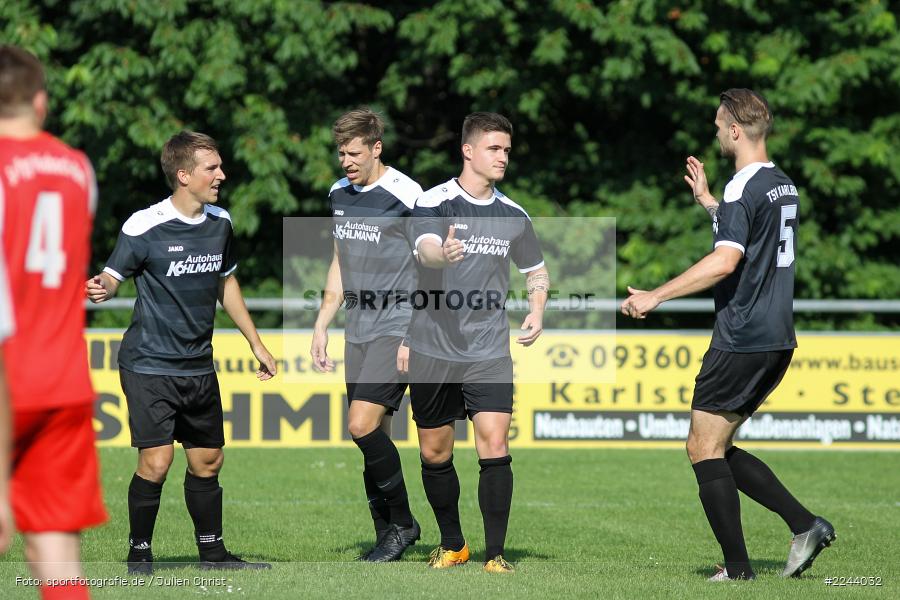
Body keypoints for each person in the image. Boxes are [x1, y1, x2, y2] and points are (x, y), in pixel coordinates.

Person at [621, 88, 834, 581]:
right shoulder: (783, 184)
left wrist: (655, 295)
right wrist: (709, 203)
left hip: (742, 336)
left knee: (702, 448)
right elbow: (752, 235)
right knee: (714, 447)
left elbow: (727, 260)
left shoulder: (743, 186)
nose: (717, 133)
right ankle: (805, 525)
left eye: (719, 126)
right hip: (777, 337)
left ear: (735, 130)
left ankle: (740, 569)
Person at [86, 130, 277, 574]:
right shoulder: (143, 224)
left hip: (199, 366)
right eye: (212, 168)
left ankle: (213, 555)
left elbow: (225, 283)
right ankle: (139, 555)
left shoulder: (220, 222)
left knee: (208, 461)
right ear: (184, 174)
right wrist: (103, 286)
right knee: (157, 461)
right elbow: (114, 274)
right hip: (149, 364)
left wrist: (257, 342)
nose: (221, 175)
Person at [410, 112, 549, 573]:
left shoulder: (513, 214)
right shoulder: (433, 203)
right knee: (435, 451)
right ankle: (453, 543)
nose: (503, 157)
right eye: (494, 148)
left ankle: (496, 554)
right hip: (432, 348)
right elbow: (425, 247)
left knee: (494, 443)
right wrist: (441, 253)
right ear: (468, 151)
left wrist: (536, 309)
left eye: (507, 150)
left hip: (488, 350)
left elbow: (536, 271)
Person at [0, 45, 107, 599]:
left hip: (7, 379)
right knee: (57, 555)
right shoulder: (78, 169)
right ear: (40, 101)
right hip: (63, 384)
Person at [310, 108, 422, 561]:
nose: (346, 162)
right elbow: (340, 260)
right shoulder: (339, 193)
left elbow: (430, 267)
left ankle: (404, 524)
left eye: (354, 153)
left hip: (397, 323)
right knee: (375, 435)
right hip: (357, 324)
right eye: (341, 153)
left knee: (361, 425)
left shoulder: (407, 194)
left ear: (377, 148)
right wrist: (322, 322)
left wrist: (416, 332)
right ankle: (386, 533)